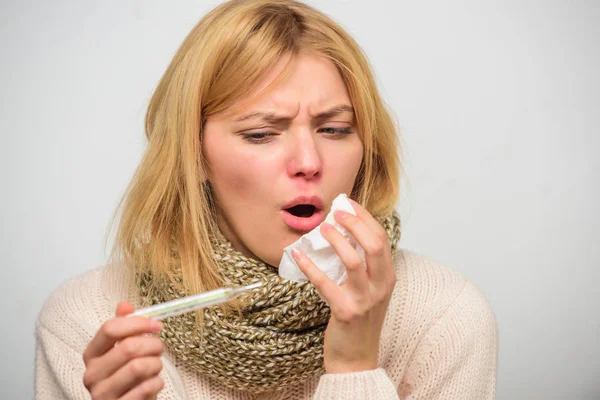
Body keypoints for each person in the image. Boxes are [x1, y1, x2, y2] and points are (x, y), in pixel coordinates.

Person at [35, 0, 497, 399]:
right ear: (192, 155)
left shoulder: (444, 318)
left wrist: (355, 366)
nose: (308, 161)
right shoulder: (87, 320)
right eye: (261, 134)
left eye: (335, 129)